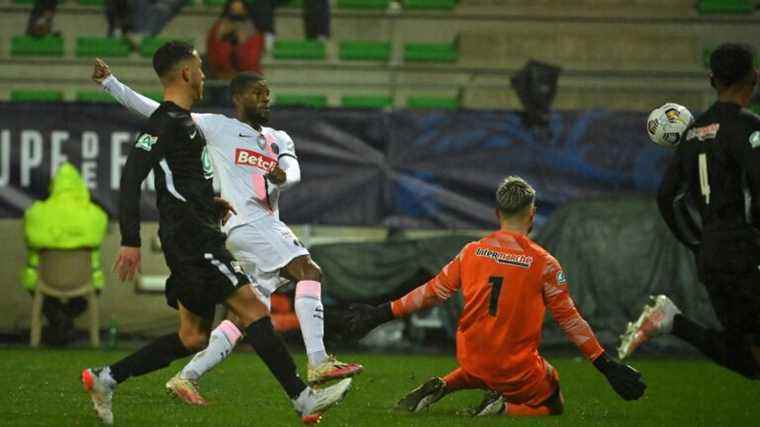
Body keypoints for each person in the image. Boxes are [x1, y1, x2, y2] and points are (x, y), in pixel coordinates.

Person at [81, 41, 351, 426]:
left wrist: (211, 203)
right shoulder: (172, 123)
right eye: (201, 68)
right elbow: (130, 178)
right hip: (195, 240)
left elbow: (181, 182)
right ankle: (305, 398)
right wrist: (130, 240)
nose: (205, 75)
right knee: (254, 309)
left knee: (192, 337)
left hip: (199, 230)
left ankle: (106, 378)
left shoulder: (189, 126)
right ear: (187, 73)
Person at [341, 176, 646, 417]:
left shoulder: (471, 252)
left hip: (470, 356)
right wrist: (606, 365)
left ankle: (444, 386)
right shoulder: (545, 264)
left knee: (482, 366)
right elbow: (569, 320)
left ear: (497, 213)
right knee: (553, 396)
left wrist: (380, 313)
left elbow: (431, 293)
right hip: (513, 367)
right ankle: (505, 407)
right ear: (533, 213)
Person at [618, 43, 760, 380]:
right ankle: (672, 321)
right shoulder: (748, 128)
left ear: (712, 79)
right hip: (746, 249)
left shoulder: (693, 133)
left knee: (751, 358)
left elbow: (667, 196)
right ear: (754, 76)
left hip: (712, 253)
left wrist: (697, 243)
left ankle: (672, 321)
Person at [21, 162, 108, 346]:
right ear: (80, 186)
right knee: (90, 292)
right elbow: (97, 236)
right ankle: (65, 320)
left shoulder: (36, 213)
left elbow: (31, 238)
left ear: (54, 186)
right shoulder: (95, 215)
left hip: (44, 280)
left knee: (37, 290)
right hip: (84, 280)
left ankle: (59, 321)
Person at [206, 0, 265, 80]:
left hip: (248, 80)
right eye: (233, 11)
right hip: (221, 79)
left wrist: (242, 43)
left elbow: (250, 63)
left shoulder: (254, 32)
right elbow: (216, 62)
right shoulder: (218, 30)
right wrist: (221, 40)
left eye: (240, 13)